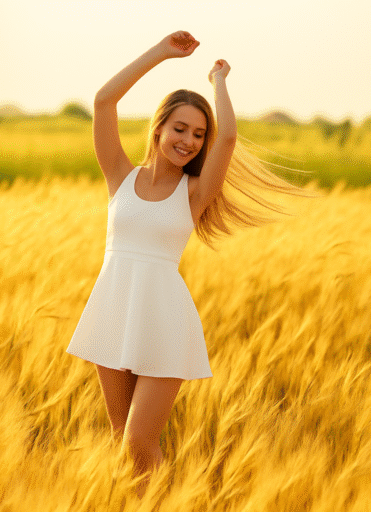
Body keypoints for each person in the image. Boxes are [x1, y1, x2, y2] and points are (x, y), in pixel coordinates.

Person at [65, 31, 305, 495]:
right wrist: (160, 53)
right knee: (123, 442)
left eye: (198, 134)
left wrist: (218, 80)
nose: (190, 141)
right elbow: (103, 101)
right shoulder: (120, 174)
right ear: (158, 128)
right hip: (113, 310)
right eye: (181, 129)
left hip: (165, 320)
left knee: (140, 439)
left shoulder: (192, 195)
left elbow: (230, 138)